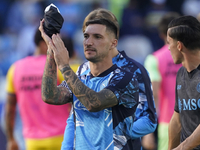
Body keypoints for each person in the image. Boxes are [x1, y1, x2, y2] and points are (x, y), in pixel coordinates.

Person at [39, 8, 157, 149]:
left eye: (97, 36)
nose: (89, 42)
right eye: (86, 36)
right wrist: (52, 48)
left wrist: (113, 131)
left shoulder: (131, 72)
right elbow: (70, 111)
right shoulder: (82, 71)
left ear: (114, 41)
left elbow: (149, 120)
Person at [5, 28, 77, 150]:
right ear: (44, 44)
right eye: (55, 42)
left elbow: (10, 109)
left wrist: (11, 139)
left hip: (32, 141)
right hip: (62, 137)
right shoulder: (59, 66)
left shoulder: (15, 69)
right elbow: (75, 104)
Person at [143, 12, 181, 150]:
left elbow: (154, 96)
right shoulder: (192, 55)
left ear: (161, 34)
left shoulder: (154, 59)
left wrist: (148, 132)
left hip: (167, 123)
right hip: (194, 122)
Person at [167, 15, 200, 150]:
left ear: (179, 46)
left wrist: (181, 148)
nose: (168, 48)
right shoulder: (181, 73)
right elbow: (177, 120)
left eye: (169, 43)